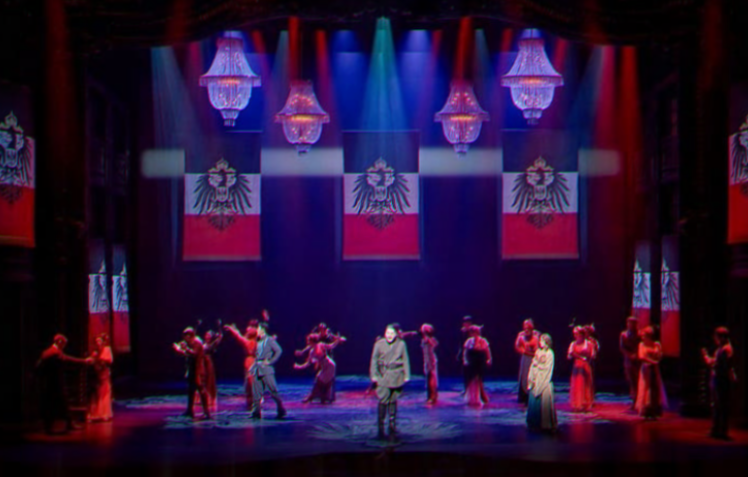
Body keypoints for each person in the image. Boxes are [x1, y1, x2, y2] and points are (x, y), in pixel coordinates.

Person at [36, 334, 92, 434]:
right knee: (58, 404)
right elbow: (68, 360)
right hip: (54, 384)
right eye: (64, 344)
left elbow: (39, 365)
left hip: (49, 384)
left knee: (56, 405)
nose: (64, 347)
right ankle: (60, 425)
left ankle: (62, 424)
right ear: (59, 342)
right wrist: (84, 361)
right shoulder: (54, 352)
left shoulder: (47, 351)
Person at [370, 324, 411, 442]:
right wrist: (374, 375)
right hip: (383, 375)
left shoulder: (401, 344)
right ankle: (381, 425)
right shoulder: (378, 344)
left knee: (393, 400)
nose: (389, 336)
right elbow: (374, 360)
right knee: (383, 399)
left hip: (396, 375)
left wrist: (407, 375)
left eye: (392, 333)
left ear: (396, 334)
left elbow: (405, 360)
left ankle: (392, 424)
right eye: (387, 333)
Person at [702, 326, 737, 439]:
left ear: (722, 337)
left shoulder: (726, 350)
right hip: (718, 379)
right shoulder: (721, 349)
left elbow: (719, 365)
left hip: (721, 380)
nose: (715, 340)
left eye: (717, 337)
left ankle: (721, 430)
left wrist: (708, 360)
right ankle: (717, 429)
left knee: (721, 405)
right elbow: (714, 362)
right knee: (717, 405)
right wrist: (707, 358)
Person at [294, 332, 346, 403]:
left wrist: (337, 340)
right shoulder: (312, 352)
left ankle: (314, 397)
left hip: (330, 365)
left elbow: (331, 346)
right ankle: (321, 397)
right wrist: (299, 367)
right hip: (324, 367)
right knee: (320, 380)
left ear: (312, 341)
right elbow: (308, 363)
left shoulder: (321, 345)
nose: (308, 343)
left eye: (309, 341)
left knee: (321, 380)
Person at [172, 327, 212, 420]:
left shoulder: (197, 342)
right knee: (191, 391)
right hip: (192, 370)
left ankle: (206, 413)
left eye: (186, 336)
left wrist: (185, 348)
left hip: (198, 370)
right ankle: (190, 411)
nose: (185, 339)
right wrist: (178, 349)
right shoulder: (190, 343)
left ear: (190, 336)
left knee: (201, 390)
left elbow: (194, 354)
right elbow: (187, 354)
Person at [249, 322, 286, 419]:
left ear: (262, 330)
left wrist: (270, 361)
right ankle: (256, 412)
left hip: (266, 369)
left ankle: (281, 409)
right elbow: (257, 357)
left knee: (273, 391)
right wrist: (252, 367)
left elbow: (279, 350)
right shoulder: (258, 341)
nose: (256, 330)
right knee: (256, 392)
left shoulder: (269, 340)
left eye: (258, 328)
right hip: (257, 369)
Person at [635, 326, 667, 420]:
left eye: (644, 336)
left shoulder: (656, 345)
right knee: (646, 387)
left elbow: (659, 355)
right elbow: (641, 357)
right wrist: (652, 361)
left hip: (654, 369)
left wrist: (656, 361)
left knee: (655, 387)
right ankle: (646, 408)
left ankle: (655, 408)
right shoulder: (641, 345)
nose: (643, 337)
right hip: (646, 369)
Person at [527, 333, 557, 433]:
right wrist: (533, 374)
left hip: (544, 379)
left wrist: (538, 365)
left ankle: (545, 425)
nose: (540, 343)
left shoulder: (550, 353)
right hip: (536, 378)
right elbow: (533, 363)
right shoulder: (538, 351)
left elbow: (547, 367)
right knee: (534, 399)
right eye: (540, 341)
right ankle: (534, 423)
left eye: (542, 341)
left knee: (544, 399)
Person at [224, 321, 258, 409]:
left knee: (251, 383)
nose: (248, 330)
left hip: (253, 362)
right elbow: (239, 336)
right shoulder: (250, 341)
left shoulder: (253, 341)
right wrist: (234, 329)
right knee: (249, 384)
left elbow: (239, 337)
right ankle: (251, 403)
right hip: (250, 362)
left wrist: (232, 330)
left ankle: (254, 403)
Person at [463, 325, 491, 407]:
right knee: (471, 379)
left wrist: (489, 359)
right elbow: (465, 352)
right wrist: (465, 360)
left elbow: (487, 351)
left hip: (480, 361)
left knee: (479, 379)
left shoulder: (483, 341)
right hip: (472, 361)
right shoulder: (469, 341)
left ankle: (480, 397)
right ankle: (471, 398)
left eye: (476, 332)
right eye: (473, 332)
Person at [88, 333, 114, 423]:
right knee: (97, 394)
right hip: (97, 374)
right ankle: (96, 413)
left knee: (105, 392)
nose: (98, 343)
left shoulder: (107, 349)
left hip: (104, 373)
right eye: (96, 341)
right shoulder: (95, 351)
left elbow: (108, 361)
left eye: (99, 341)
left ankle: (105, 413)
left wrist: (100, 362)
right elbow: (92, 360)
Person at [567, 326, 594, 412]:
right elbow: (569, 356)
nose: (575, 336)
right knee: (577, 384)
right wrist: (574, 355)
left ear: (582, 334)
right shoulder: (573, 344)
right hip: (577, 367)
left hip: (585, 366)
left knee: (585, 384)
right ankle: (577, 404)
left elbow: (592, 355)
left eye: (577, 334)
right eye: (574, 334)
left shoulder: (588, 344)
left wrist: (586, 359)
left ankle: (586, 403)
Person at [514, 319, 541, 404]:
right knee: (524, 376)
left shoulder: (536, 336)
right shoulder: (521, 336)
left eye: (528, 328)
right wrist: (524, 351)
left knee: (533, 375)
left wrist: (531, 353)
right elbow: (517, 346)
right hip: (525, 358)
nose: (526, 330)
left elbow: (537, 348)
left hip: (533, 358)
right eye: (525, 328)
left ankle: (533, 394)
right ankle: (523, 396)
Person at [619, 316, 641, 408]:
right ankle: (633, 399)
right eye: (629, 323)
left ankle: (638, 400)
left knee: (638, 380)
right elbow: (622, 347)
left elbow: (641, 345)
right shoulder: (624, 335)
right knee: (631, 381)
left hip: (638, 360)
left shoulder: (640, 334)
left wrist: (636, 354)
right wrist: (629, 355)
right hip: (628, 361)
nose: (630, 325)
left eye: (633, 323)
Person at [202, 328, 223, 413]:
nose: (207, 337)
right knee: (203, 380)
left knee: (209, 380)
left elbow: (220, 338)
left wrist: (219, 331)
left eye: (209, 335)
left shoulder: (212, 344)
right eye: (206, 335)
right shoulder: (202, 343)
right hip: (202, 362)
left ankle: (210, 398)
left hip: (208, 362)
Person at [420, 324, 439, 405]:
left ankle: (433, 396)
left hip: (431, 360)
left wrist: (428, 339)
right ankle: (430, 395)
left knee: (432, 378)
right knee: (428, 378)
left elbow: (435, 344)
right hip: (427, 360)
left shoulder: (431, 340)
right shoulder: (424, 340)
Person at [457, 316, 474, 395]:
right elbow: (461, 343)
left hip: (472, 353)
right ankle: (466, 389)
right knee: (465, 372)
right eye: (465, 323)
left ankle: (473, 389)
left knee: (472, 372)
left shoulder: (473, 331)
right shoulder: (462, 331)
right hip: (465, 353)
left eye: (468, 323)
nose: (466, 324)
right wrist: (460, 352)